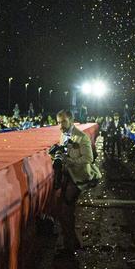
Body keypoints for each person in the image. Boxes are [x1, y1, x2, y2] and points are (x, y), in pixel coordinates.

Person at [52, 108, 97, 253]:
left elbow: (89, 159)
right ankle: (72, 242)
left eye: (63, 121)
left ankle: (69, 245)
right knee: (65, 211)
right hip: (67, 175)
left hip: (78, 177)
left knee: (66, 211)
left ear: (71, 120)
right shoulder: (62, 135)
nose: (61, 125)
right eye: (58, 122)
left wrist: (69, 160)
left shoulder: (81, 137)